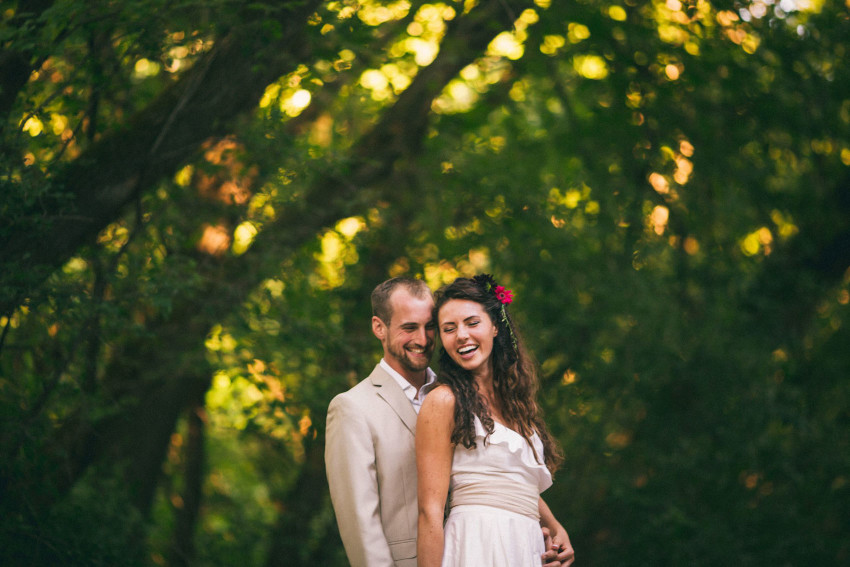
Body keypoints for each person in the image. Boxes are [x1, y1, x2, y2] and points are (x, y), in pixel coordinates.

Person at [326, 276, 573, 567]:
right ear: (379, 327)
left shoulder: (461, 395)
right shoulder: (354, 408)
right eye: (409, 328)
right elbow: (361, 524)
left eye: (430, 327)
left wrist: (553, 526)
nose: (422, 339)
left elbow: (493, 473)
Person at [417, 274, 573, 567]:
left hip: (523, 545)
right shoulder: (443, 401)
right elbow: (429, 512)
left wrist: (555, 528)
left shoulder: (515, 404)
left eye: (471, 322)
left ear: (495, 327)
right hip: (478, 543)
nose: (461, 335)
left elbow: (511, 481)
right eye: (449, 329)